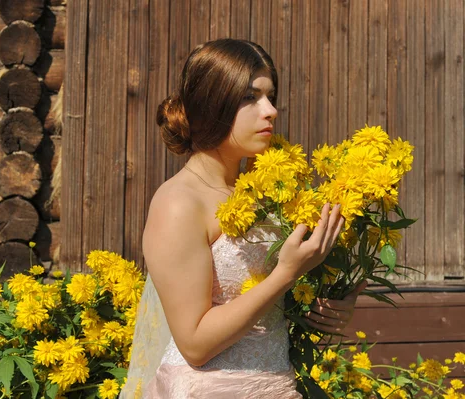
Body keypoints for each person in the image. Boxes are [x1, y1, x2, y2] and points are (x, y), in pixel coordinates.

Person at [121, 38, 366, 399]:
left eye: (271, 97)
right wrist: (285, 275)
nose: (270, 111)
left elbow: (271, 300)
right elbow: (194, 343)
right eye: (250, 98)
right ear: (211, 105)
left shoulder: (267, 193)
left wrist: (329, 301)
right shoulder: (179, 203)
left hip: (276, 385)